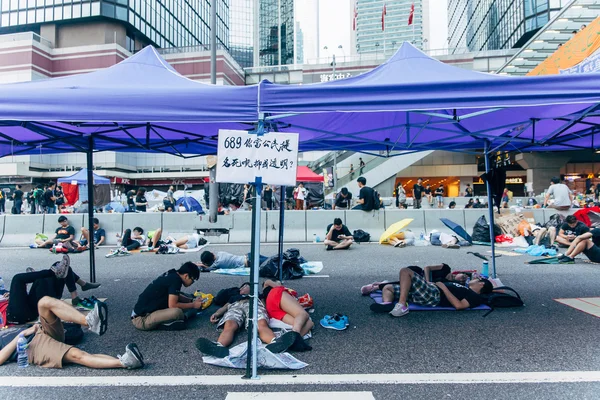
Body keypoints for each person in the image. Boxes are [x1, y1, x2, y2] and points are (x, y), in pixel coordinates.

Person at [0, 296, 145, 370]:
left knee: (44, 302)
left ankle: (90, 322)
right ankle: (124, 362)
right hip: (32, 346)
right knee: (77, 355)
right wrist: (22, 335)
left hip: (39, 331)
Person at [195, 282, 298, 358]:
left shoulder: (258, 296)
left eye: (246, 286)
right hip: (236, 306)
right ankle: (219, 346)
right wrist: (217, 314)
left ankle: (274, 342)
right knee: (230, 325)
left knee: (261, 324)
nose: (242, 288)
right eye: (242, 287)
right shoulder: (234, 297)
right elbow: (225, 307)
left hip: (254, 304)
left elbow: (266, 306)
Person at [6, 255, 101, 323]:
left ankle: (49, 274)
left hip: (28, 306)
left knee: (59, 265)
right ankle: (53, 273)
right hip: (16, 315)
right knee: (18, 278)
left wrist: (5, 293)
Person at [370, 267, 493, 316]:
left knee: (405, 271)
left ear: (481, 284)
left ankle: (402, 305)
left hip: (434, 295)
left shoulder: (474, 296)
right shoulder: (464, 286)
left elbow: (459, 306)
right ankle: (388, 304)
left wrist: (443, 287)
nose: (474, 279)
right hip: (430, 290)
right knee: (388, 288)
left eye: (477, 279)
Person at [131, 262, 202, 331]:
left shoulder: (173, 274)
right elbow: (172, 305)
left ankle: (181, 317)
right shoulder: (176, 280)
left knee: (182, 297)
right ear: (186, 276)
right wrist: (193, 305)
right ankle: (169, 323)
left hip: (145, 312)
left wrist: (191, 300)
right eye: (193, 280)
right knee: (177, 312)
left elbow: (175, 295)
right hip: (142, 319)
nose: (192, 283)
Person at [362, 264, 471, 297]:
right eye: (463, 276)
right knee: (408, 281)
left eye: (463, 280)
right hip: (419, 272)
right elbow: (427, 268)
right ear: (459, 272)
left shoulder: (448, 283)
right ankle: (378, 286)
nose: (462, 278)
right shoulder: (446, 267)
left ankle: (378, 286)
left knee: (407, 286)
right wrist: (427, 280)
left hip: (421, 283)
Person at [262, 279, 313, 348]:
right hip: (276, 294)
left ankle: (289, 341)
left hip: (272, 309)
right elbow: (276, 285)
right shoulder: (268, 283)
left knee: (309, 323)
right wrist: (279, 283)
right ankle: (296, 333)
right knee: (303, 314)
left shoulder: (265, 297)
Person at [197, 250, 267, 271]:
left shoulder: (218, 264)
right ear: (212, 253)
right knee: (271, 260)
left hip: (249, 262)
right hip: (248, 255)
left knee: (272, 261)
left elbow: (210, 268)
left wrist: (202, 265)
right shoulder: (220, 253)